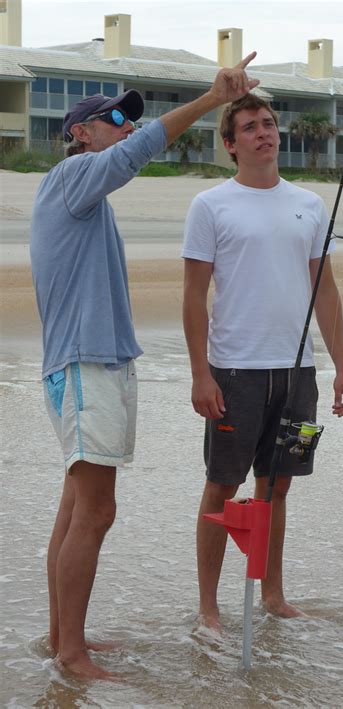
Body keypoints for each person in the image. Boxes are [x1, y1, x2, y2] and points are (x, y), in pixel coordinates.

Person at [30, 54, 259, 680]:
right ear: (80, 132)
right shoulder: (70, 177)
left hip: (92, 364)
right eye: (113, 120)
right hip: (84, 366)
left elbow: (131, 152)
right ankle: (73, 655)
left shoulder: (84, 198)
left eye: (129, 120)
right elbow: (136, 155)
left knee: (77, 507)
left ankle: (61, 641)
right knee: (97, 512)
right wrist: (213, 99)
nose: (126, 128)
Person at [182, 94, 343, 633]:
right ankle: (209, 607)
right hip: (235, 371)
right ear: (231, 144)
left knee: (277, 483)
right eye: (250, 127)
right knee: (223, 484)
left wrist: (342, 368)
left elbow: (323, 289)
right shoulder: (211, 205)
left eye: (269, 124)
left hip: (297, 372)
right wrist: (200, 374)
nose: (264, 132)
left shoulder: (308, 203)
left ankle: (273, 594)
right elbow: (193, 296)